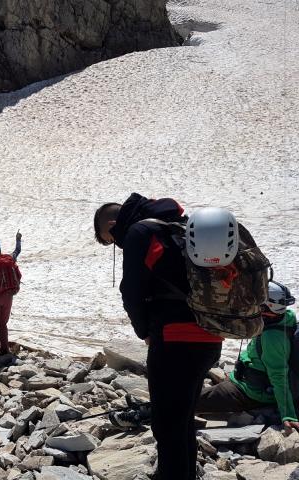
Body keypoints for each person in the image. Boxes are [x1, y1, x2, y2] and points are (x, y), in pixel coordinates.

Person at [94, 193, 223, 480]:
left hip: (174, 339)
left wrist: (144, 332)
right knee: (182, 417)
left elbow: (132, 292)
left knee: (166, 424)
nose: (116, 243)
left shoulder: (141, 232)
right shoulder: (181, 227)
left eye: (110, 238)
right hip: (210, 337)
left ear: (115, 224)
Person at [196, 280, 299, 431]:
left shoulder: (272, 338)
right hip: (250, 381)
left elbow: (279, 375)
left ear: (266, 307)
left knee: (191, 401)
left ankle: (152, 410)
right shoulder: (285, 317)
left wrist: (288, 415)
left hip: (251, 391)